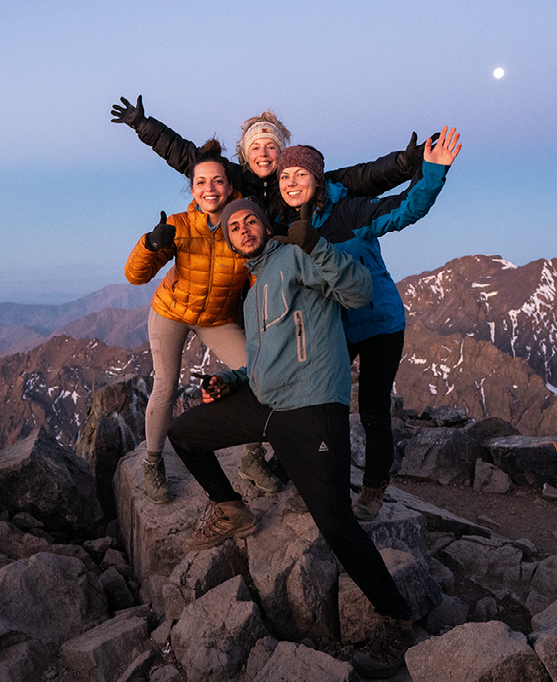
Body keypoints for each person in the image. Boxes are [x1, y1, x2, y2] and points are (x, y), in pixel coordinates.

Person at [166, 198, 415, 679]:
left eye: (249, 221)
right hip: (266, 403)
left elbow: (360, 291)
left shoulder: (297, 255)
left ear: (264, 225)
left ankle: (396, 619)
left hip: (312, 407)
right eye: (233, 227)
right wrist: (234, 381)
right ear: (231, 240)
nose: (242, 230)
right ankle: (231, 508)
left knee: (337, 524)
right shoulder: (254, 285)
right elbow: (265, 356)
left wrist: (318, 244)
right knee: (185, 434)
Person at [273, 127, 462, 520]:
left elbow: (404, 209)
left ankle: (374, 486)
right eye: (284, 177)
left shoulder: (349, 211)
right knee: (326, 408)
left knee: (373, 408)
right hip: (331, 329)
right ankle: (324, 481)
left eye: (300, 175)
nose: (292, 183)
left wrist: (432, 173)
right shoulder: (282, 225)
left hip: (378, 323)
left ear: (317, 179)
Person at [124, 140, 282, 503]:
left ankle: (253, 459)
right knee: (165, 384)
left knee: (261, 376)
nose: (210, 189)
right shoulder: (179, 226)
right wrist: (150, 243)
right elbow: (135, 276)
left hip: (218, 318)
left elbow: (260, 277)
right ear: (192, 189)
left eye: (217, 182)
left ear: (229, 186)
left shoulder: (243, 224)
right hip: (172, 311)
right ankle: (152, 462)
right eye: (201, 183)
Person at [110, 94, 427, 214]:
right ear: (245, 156)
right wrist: (142, 124)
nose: (263, 154)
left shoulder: (298, 181)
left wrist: (402, 163)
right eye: (255, 148)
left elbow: (360, 179)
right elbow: (185, 156)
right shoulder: (231, 178)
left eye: (271, 147)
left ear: (282, 152)